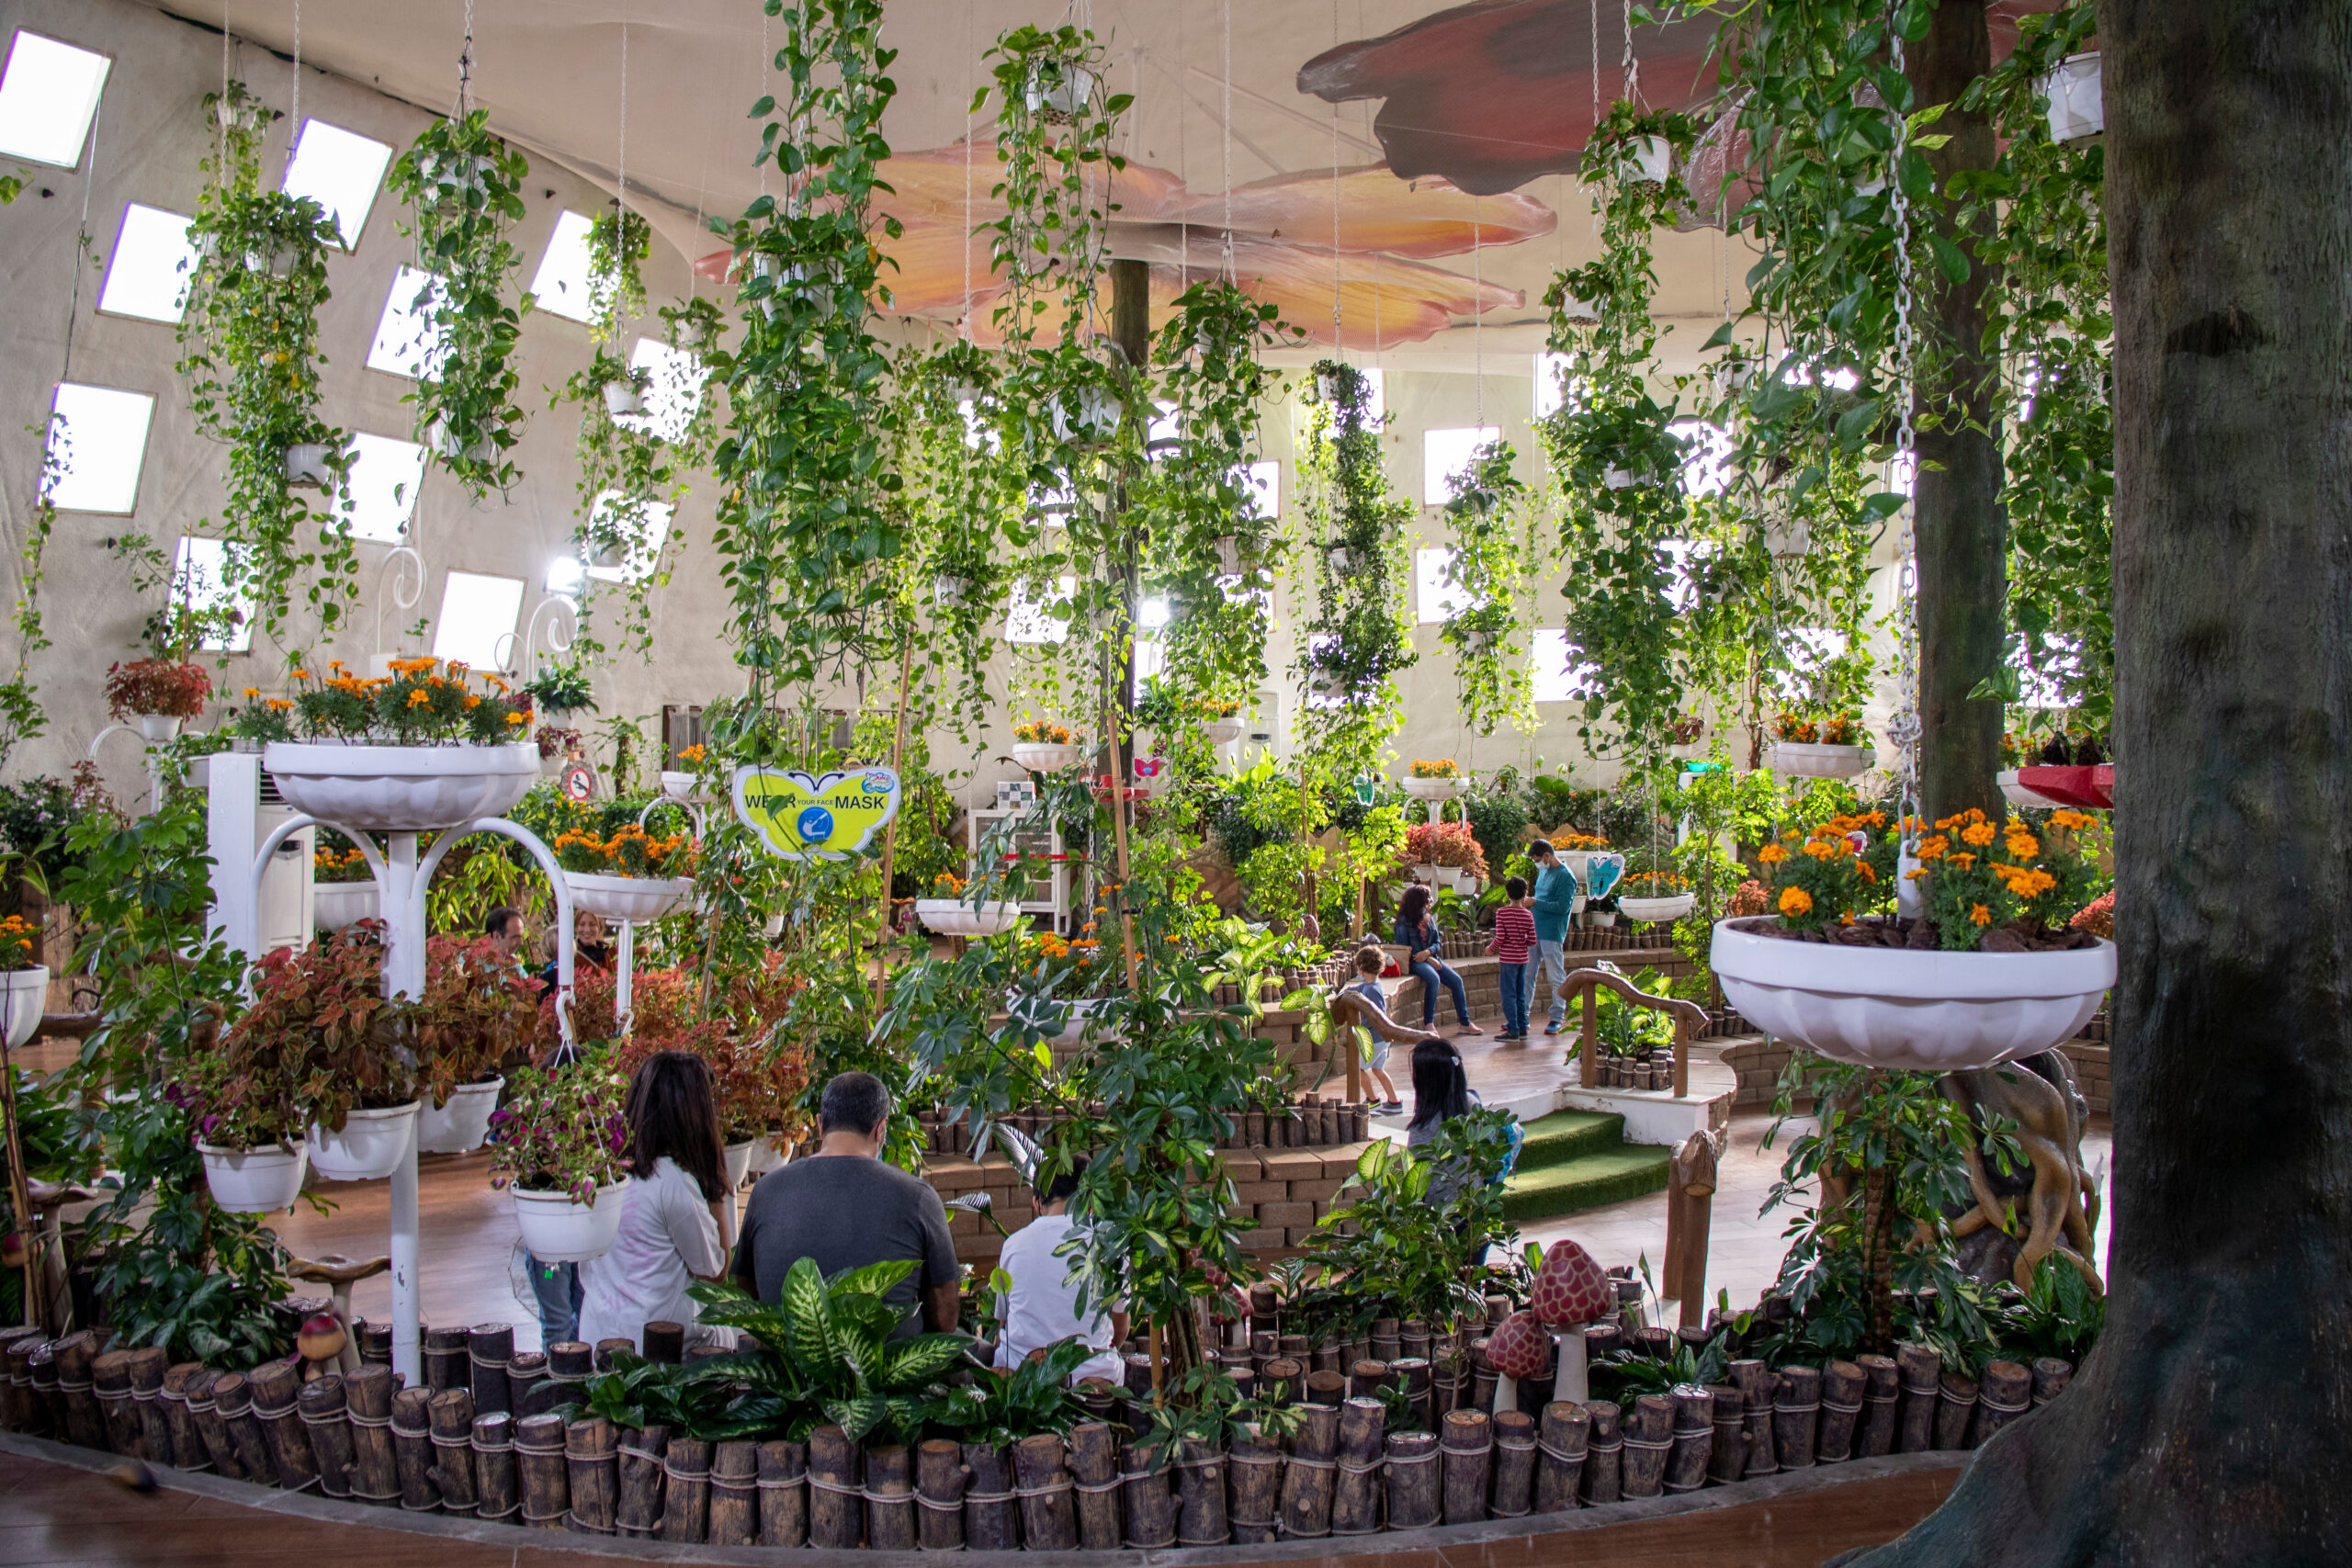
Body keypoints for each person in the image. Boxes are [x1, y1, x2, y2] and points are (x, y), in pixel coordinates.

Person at [732, 1071, 959, 1336]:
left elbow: (746, 1290)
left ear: (819, 1124)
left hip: (787, 1369)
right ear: (881, 1129)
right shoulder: (918, 1196)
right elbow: (946, 1316)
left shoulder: (765, 1190)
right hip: (885, 1372)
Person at [577, 1051, 733, 1353]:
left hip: (600, 1336)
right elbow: (715, 1273)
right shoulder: (671, 1183)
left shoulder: (601, 1172)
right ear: (693, 1114)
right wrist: (715, 1182)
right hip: (657, 1351)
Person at [991, 1157, 1129, 1384]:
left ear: (1036, 1203)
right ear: (1091, 1200)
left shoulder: (1014, 1245)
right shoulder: (1111, 1244)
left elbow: (1004, 1322)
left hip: (1021, 1377)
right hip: (1092, 1377)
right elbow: (1120, 1328)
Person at [1405, 1039, 1521, 1258]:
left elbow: (1420, 1183)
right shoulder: (1470, 1104)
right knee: (1471, 1278)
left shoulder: (1424, 1125)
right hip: (1475, 1210)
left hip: (1442, 1220)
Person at [1335, 945, 1442, 1112]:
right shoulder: (1372, 985)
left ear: (1361, 969)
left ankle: (1372, 1100)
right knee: (1378, 1069)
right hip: (1381, 1040)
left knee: (1358, 1068)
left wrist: (1358, 1029)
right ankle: (1394, 1102)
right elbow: (1357, 989)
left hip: (1375, 1039)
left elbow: (1374, 1016)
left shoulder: (1371, 991)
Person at [1394, 885, 1481, 1037]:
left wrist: (1428, 953)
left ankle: (1465, 1023)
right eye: (1427, 900)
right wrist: (1426, 958)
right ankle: (1429, 1023)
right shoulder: (1403, 921)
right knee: (1433, 979)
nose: (1430, 903)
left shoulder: (1428, 918)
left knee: (1456, 981)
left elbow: (1437, 943)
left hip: (1430, 957)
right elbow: (1403, 948)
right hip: (1414, 961)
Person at [1526, 840, 1578, 1036]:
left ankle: (1557, 1017)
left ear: (1547, 856)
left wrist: (1535, 903)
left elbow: (1562, 907)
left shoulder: (1566, 877)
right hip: (1535, 930)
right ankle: (1523, 1016)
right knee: (1528, 973)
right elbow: (1540, 897)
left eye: (1538, 860)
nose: (1537, 863)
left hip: (1552, 932)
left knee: (1555, 975)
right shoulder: (1543, 871)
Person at [1485, 876, 1538, 1042]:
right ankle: (1522, 1028)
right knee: (1520, 994)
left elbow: (1500, 937)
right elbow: (1532, 940)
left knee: (1508, 995)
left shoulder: (1502, 913)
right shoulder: (1528, 915)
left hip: (1508, 960)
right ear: (1525, 894)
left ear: (1507, 894)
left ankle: (1512, 1030)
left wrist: (1490, 949)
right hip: (1523, 960)